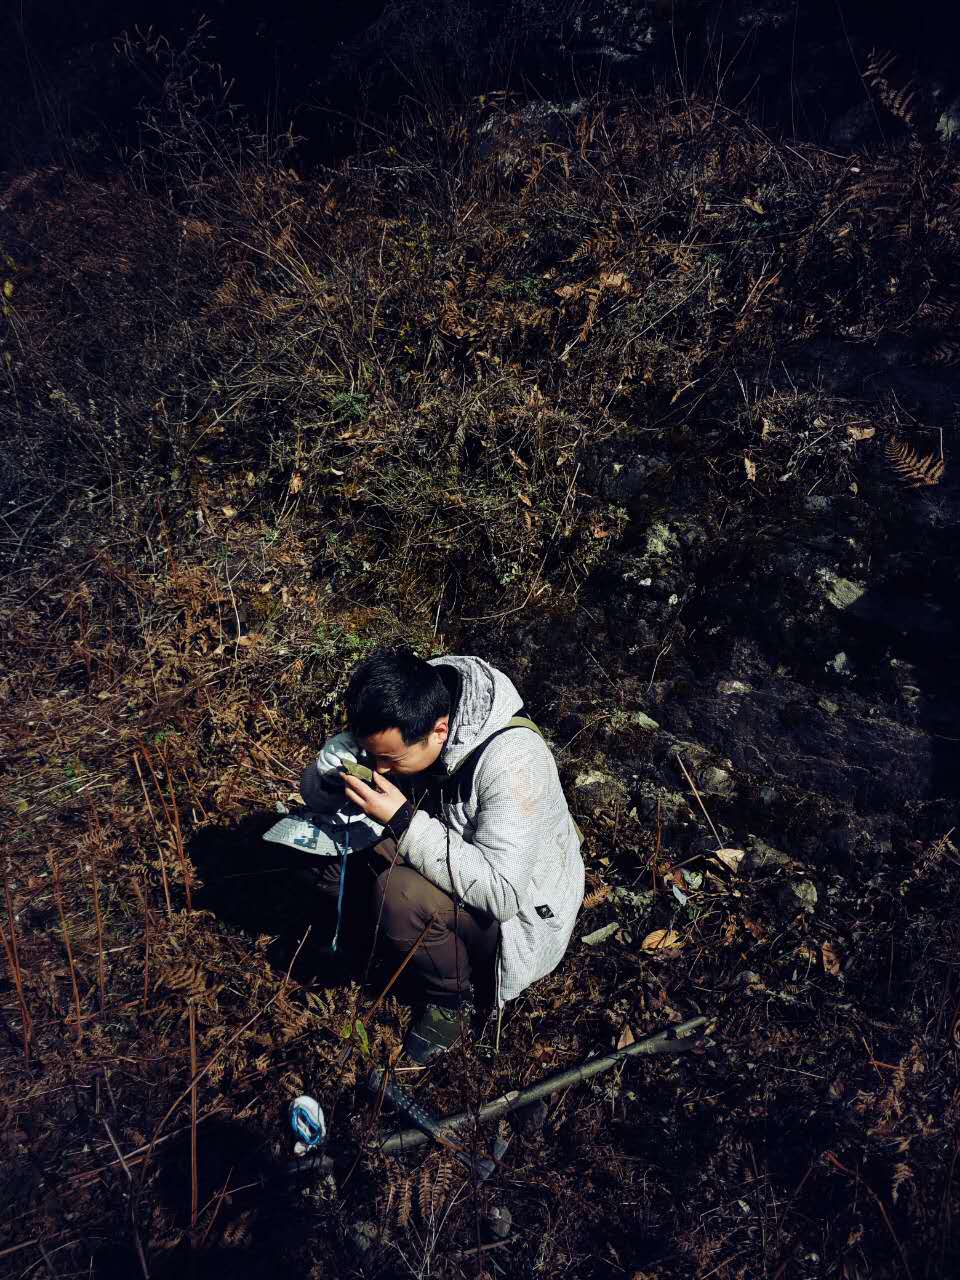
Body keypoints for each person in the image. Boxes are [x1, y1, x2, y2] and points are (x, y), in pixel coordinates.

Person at [299, 648, 585, 1063]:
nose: (379, 769)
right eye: (372, 756)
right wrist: (326, 777)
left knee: (399, 894)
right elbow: (323, 805)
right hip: (441, 852)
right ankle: (381, 943)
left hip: (520, 917)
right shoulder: (406, 705)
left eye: (390, 760)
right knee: (322, 853)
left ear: (440, 731)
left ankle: (449, 999)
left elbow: (503, 894)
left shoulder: (514, 761)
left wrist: (403, 821)